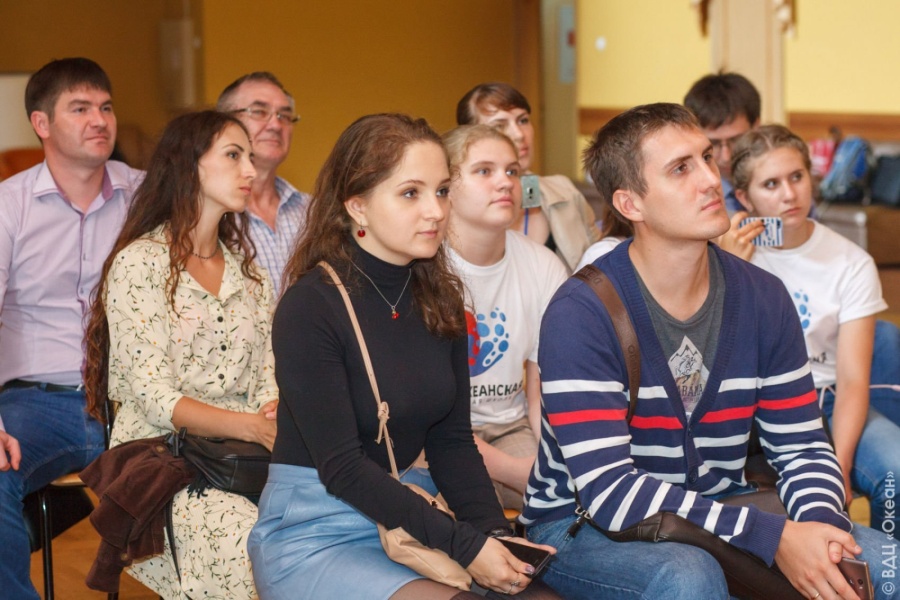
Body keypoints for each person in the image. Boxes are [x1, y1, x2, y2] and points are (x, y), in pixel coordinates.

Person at [522, 102, 893, 600]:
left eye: (706, 158)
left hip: (720, 506)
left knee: (883, 565)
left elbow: (802, 447)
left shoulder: (763, 295)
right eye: (681, 168)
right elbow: (610, 493)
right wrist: (774, 537)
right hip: (580, 524)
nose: (709, 180)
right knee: (689, 575)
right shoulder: (581, 312)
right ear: (631, 204)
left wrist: (820, 532)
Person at [248, 113, 558, 600]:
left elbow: (452, 443)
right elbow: (342, 468)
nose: (435, 211)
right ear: (357, 206)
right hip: (318, 529)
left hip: (411, 515)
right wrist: (467, 545)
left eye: (442, 191)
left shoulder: (440, 299)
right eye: (411, 193)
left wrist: (496, 536)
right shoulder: (311, 305)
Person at [83, 110, 278, 599]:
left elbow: (269, 377)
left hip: (249, 454)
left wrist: (271, 412)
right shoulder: (139, 264)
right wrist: (252, 427)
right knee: (247, 541)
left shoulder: (250, 275)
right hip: (163, 456)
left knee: (325, 529)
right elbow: (155, 398)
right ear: (189, 165)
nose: (251, 170)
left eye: (251, 157)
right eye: (233, 155)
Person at [0, 57, 142, 600]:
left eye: (105, 107)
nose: (99, 120)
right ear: (41, 123)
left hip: (138, 400)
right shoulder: (9, 206)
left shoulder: (148, 196)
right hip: (37, 403)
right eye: (80, 109)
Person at [729, 124, 899, 533]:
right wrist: (728, 269)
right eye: (771, 184)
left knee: (895, 469)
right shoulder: (727, 254)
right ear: (744, 198)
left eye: (797, 177)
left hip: (824, 399)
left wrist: (840, 465)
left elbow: (853, 380)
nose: (790, 194)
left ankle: (887, 565)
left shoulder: (850, 262)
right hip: (748, 405)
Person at [443, 125, 567, 510]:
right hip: (438, 434)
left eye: (512, 171)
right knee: (468, 507)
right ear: (447, 186)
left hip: (509, 425)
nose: (505, 182)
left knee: (563, 498)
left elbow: (540, 388)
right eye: (484, 170)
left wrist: (551, 463)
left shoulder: (543, 265)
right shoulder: (424, 265)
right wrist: (519, 474)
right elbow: (421, 415)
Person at [456, 83, 600, 271]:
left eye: (523, 120)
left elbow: (602, 269)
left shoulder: (565, 192)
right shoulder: (454, 208)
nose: (518, 134)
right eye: (499, 126)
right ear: (468, 137)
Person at [217, 72, 309, 295]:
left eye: (284, 115)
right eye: (259, 112)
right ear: (223, 124)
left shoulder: (313, 212)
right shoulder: (207, 214)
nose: (276, 125)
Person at [684, 72, 760, 216]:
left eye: (736, 140)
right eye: (713, 144)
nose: (726, 157)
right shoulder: (685, 195)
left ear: (756, 127)